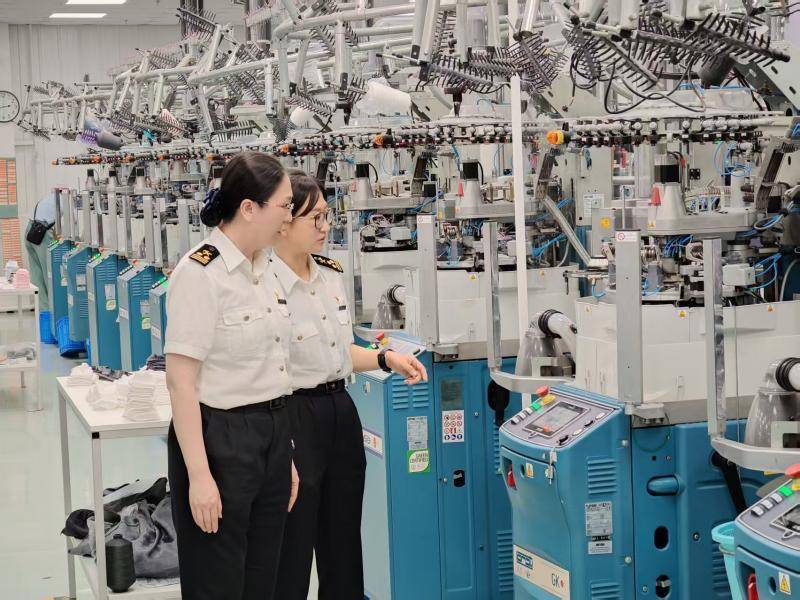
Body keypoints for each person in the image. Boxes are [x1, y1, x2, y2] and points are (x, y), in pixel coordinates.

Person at [271, 171, 428, 600]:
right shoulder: (262, 283)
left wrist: (385, 358)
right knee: (293, 545)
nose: (325, 227)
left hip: (340, 410)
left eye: (327, 216)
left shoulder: (329, 274)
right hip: (292, 416)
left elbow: (340, 352)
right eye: (315, 218)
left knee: (343, 543)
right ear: (283, 222)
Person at [164, 151, 299, 600]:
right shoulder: (201, 274)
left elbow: (270, 369)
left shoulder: (267, 269)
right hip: (221, 441)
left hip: (272, 434)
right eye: (284, 206)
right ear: (249, 208)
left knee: (263, 580)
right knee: (217, 582)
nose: (290, 216)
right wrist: (199, 477)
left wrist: (283, 457)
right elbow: (180, 383)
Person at [24, 193, 57, 309]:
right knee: (50, 273)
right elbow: (71, 227)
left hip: (30, 231)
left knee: (36, 273)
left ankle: (42, 311)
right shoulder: (66, 202)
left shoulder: (47, 199)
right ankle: (53, 310)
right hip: (42, 235)